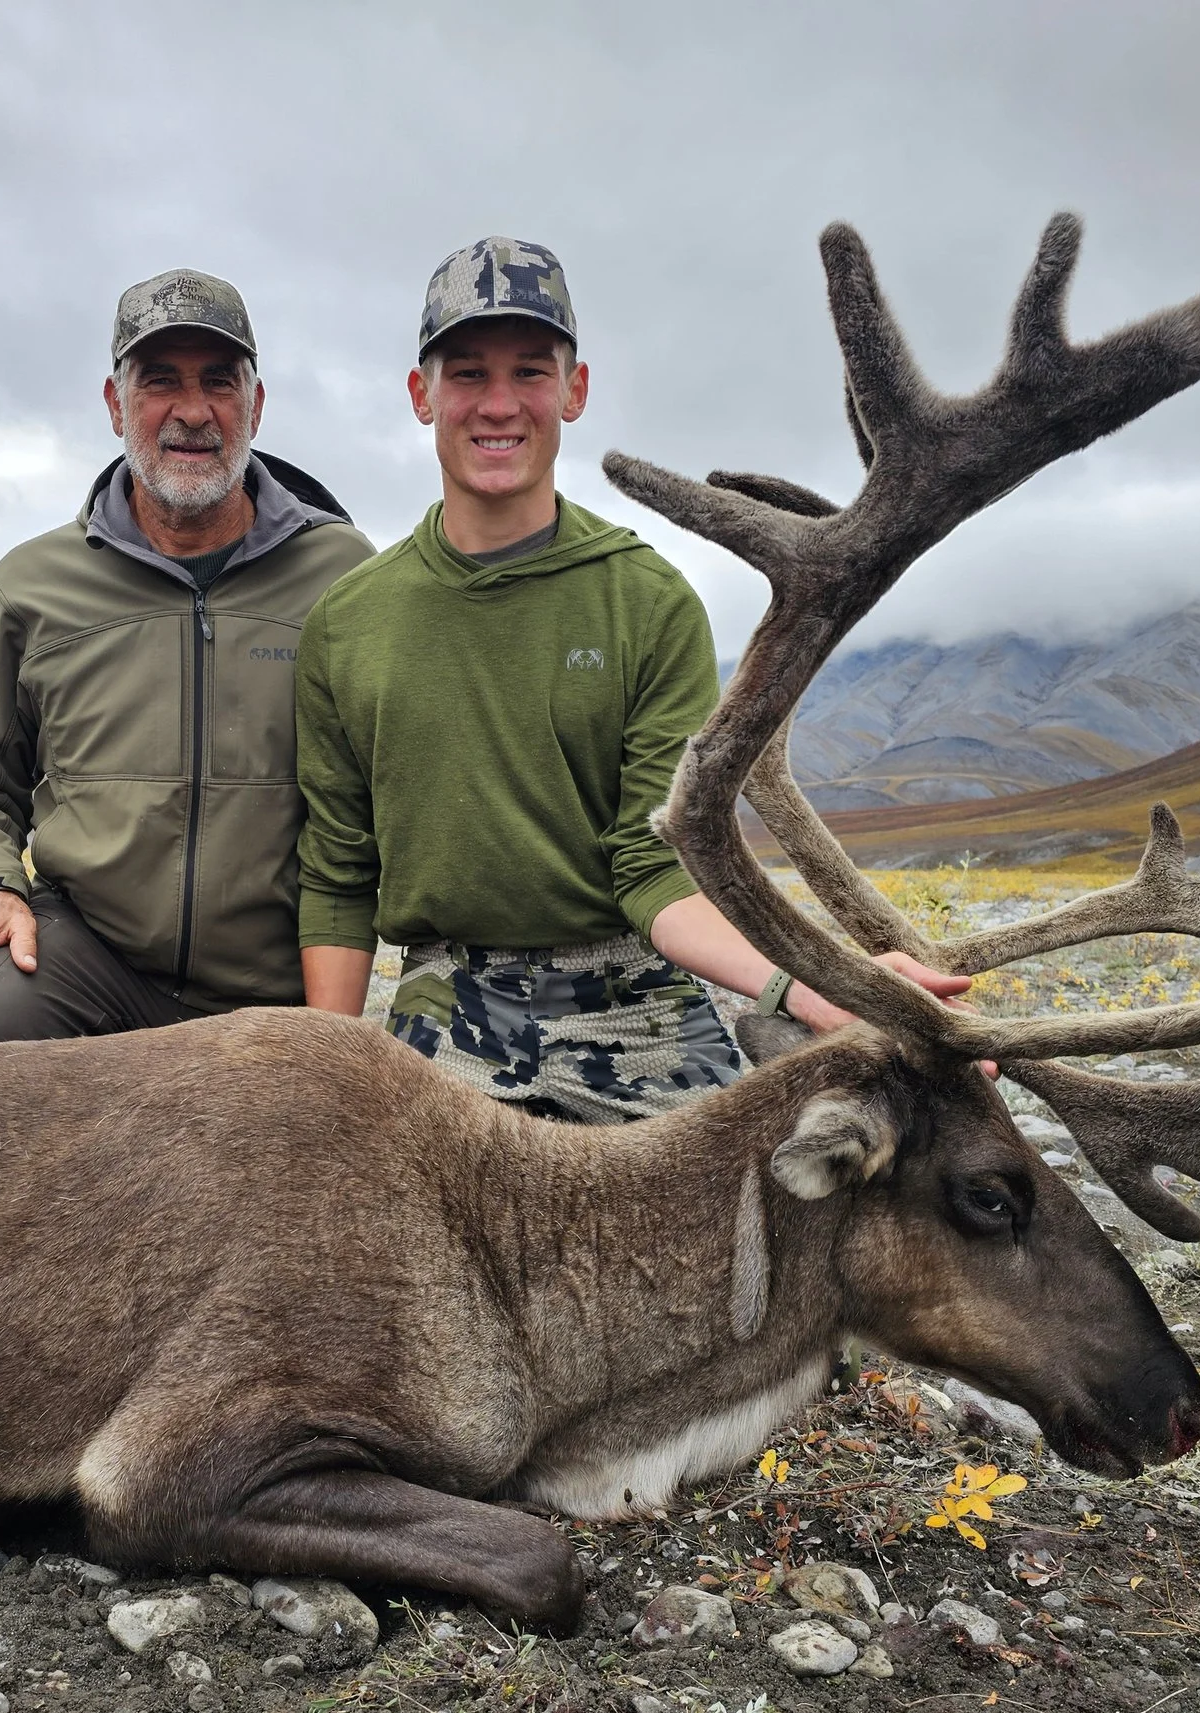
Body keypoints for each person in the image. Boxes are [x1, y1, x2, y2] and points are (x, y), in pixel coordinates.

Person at [295, 237, 966, 1121]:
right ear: (423, 395)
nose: (499, 405)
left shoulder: (647, 602)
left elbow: (653, 868)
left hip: (636, 995)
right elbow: (340, 878)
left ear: (574, 389)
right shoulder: (350, 622)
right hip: (446, 997)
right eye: (468, 374)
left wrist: (816, 986)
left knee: (746, 1216)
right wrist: (324, 1089)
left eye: (531, 372)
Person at [0, 270, 377, 1050]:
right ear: (115, 403)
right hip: (88, 957)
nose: (193, 411)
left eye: (219, 382)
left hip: (277, 976)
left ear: (255, 405)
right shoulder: (30, 587)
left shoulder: (342, 573)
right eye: (160, 381)